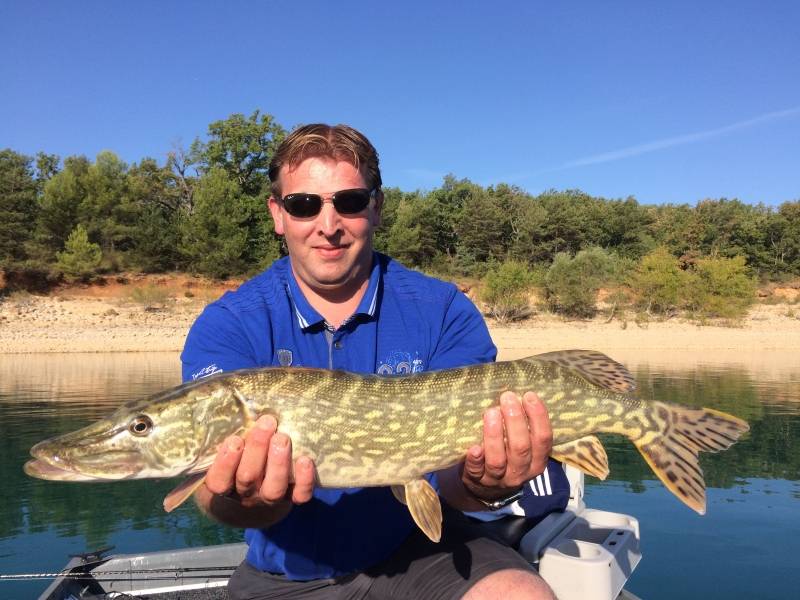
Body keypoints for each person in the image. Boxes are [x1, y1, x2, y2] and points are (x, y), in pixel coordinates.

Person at [181, 124, 563, 599]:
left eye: (349, 202)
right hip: (285, 571)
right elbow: (213, 496)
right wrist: (248, 499)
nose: (328, 224)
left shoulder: (441, 310)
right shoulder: (230, 324)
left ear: (376, 208)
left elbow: (454, 485)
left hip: (423, 550)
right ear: (277, 215)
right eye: (304, 205)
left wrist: (487, 484)